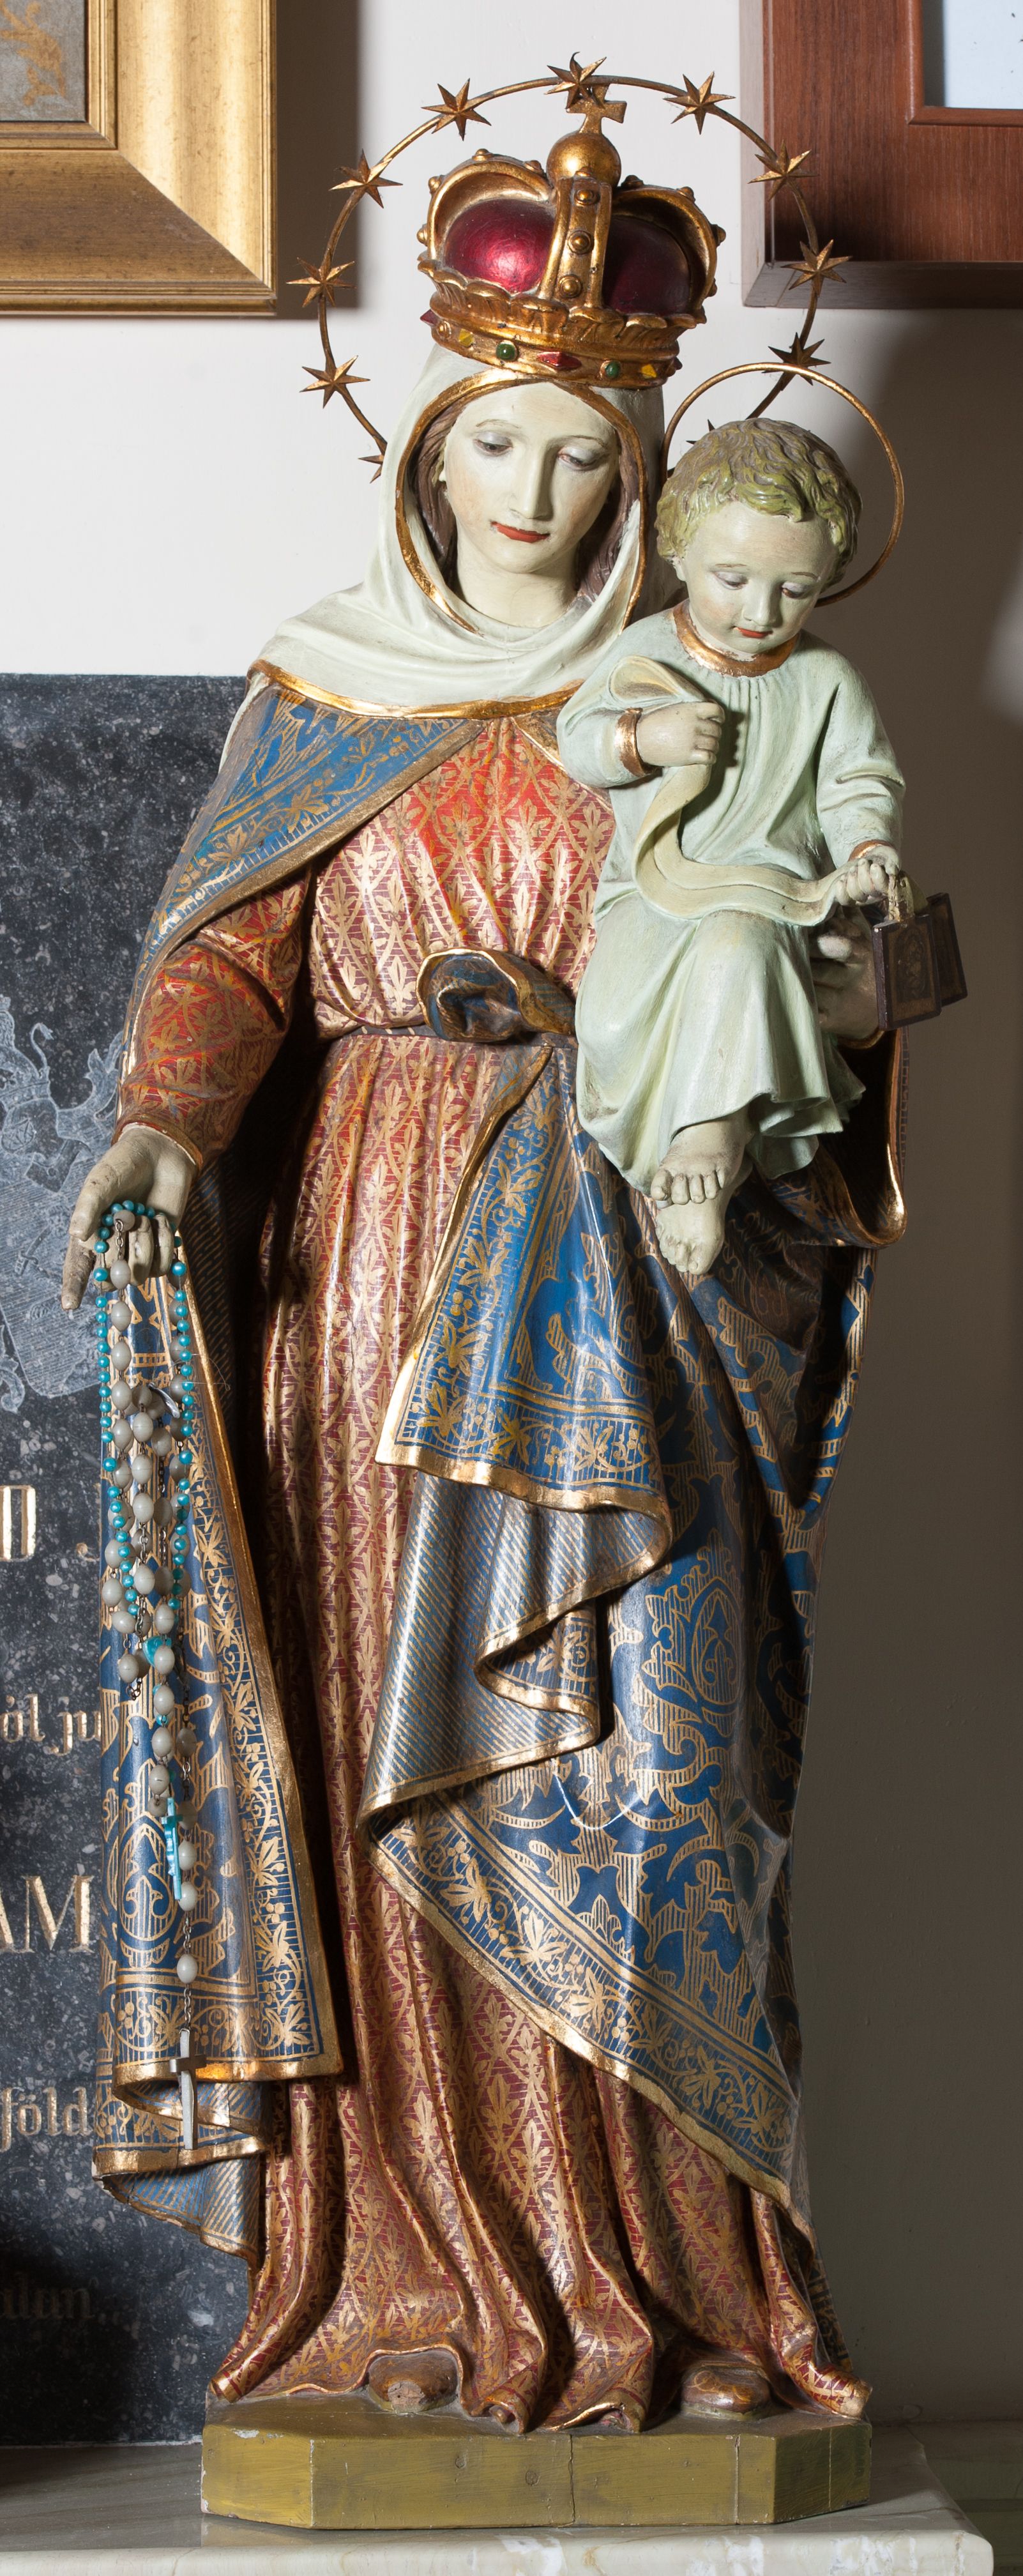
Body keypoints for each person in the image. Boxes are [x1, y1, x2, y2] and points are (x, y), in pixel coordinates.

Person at [61, 124, 904, 2435]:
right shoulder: (320, 690)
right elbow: (234, 953)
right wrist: (166, 1125)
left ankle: (682, 2295)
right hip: (364, 1252)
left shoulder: (716, 681)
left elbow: (848, 964)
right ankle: (405, 2289)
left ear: (644, 481)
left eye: (585, 453)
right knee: (386, 1734)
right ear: (428, 453)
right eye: (500, 444)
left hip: (631, 1227)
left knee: (646, 1743)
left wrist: (843, 988)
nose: (535, 492)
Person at [560, 418, 907, 1277]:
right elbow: (580, 737)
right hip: (652, 891)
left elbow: (858, 781)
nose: (760, 612)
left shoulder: (825, 680)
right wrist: (644, 737)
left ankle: (710, 1135)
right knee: (607, 1018)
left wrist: (866, 849)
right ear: (678, 551)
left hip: (773, 893)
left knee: (738, 948)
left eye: (796, 589)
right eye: (733, 579)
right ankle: (681, 1126)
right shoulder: (645, 651)